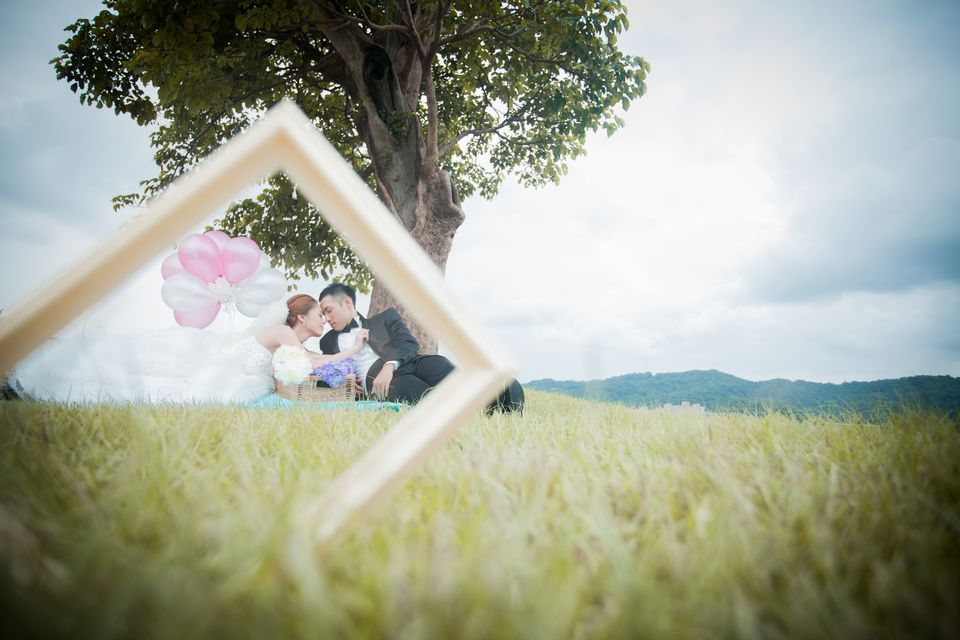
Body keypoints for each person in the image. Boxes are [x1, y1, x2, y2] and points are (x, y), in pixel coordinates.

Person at [8, 294, 360, 404]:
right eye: (320, 314)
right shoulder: (283, 332)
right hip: (216, 362)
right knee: (149, 376)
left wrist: (345, 363)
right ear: (301, 317)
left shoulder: (295, 342)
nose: (325, 320)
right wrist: (352, 350)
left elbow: (315, 360)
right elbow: (310, 362)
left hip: (234, 370)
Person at [316, 283, 524, 412]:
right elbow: (324, 375)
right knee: (421, 394)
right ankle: (473, 410)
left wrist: (389, 366)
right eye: (323, 314)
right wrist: (346, 385)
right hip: (380, 381)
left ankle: (501, 391)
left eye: (329, 310)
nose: (326, 318)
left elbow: (409, 343)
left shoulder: (385, 318)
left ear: (347, 303)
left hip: (411, 361)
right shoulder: (327, 342)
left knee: (444, 370)